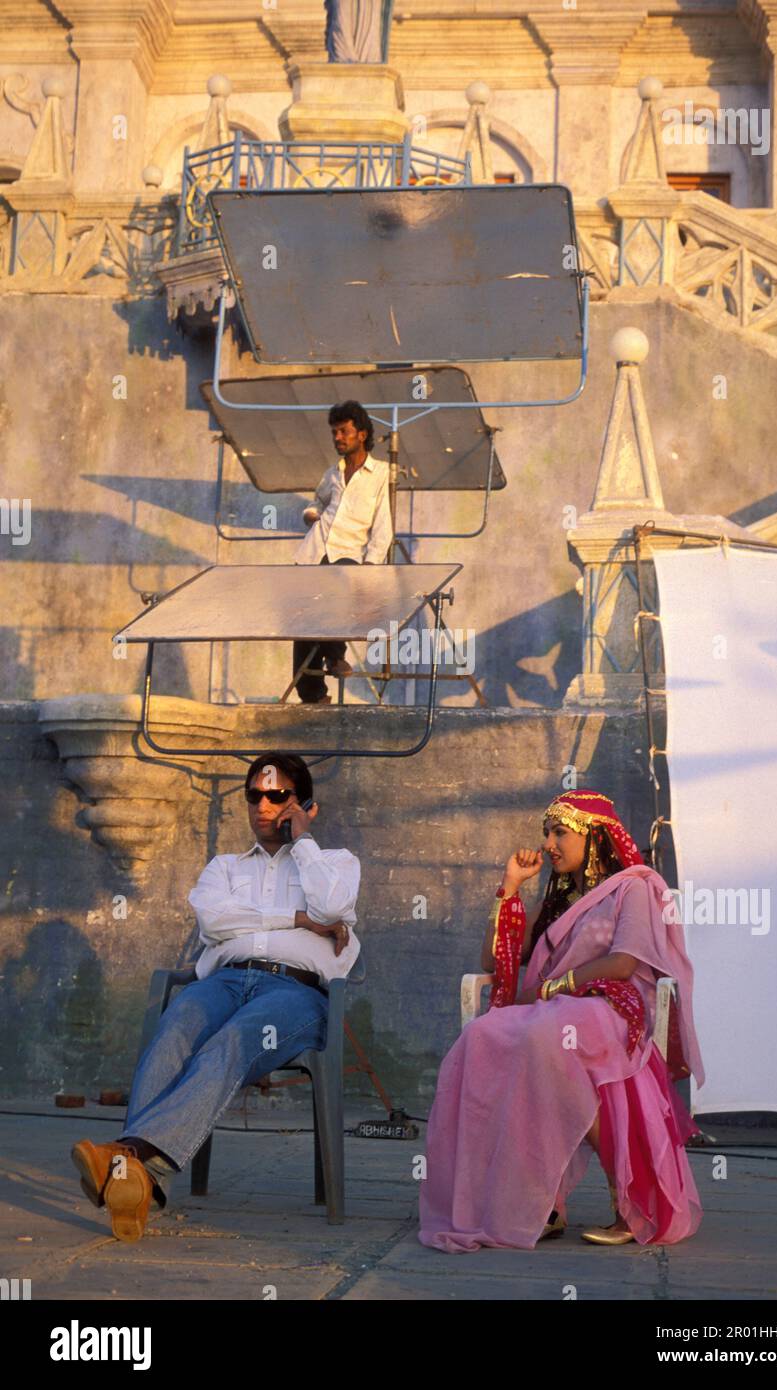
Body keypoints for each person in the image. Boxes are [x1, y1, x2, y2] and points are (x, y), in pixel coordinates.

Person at [70, 752, 360, 1243]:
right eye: (254, 795)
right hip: (224, 982)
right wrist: (297, 919)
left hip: (295, 993)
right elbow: (213, 922)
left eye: (278, 795)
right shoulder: (224, 867)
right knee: (176, 1026)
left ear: (305, 804)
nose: (264, 805)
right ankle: (137, 1180)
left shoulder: (334, 863)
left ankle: (128, 1163)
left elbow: (332, 905)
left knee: (234, 1040)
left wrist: (303, 840)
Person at [418, 787, 704, 1253]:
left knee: (545, 1037)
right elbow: (497, 956)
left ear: (594, 835)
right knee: (482, 1035)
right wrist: (510, 888)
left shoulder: (633, 886)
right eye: (545, 832)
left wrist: (553, 986)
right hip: (554, 1012)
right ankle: (540, 1205)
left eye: (559, 832)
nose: (548, 843)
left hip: (611, 1008)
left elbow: (624, 964)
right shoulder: (559, 898)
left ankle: (631, 1202)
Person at [293, 400, 393, 704]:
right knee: (303, 622)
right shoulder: (332, 474)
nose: (338, 437)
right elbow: (317, 504)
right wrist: (310, 514)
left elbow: (383, 527)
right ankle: (311, 694)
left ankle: (336, 656)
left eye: (343, 431)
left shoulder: (381, 473)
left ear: (361, 434)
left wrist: (370, 568)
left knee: (334, 596)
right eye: (334, 432)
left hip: (347, 555)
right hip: (313, 551)